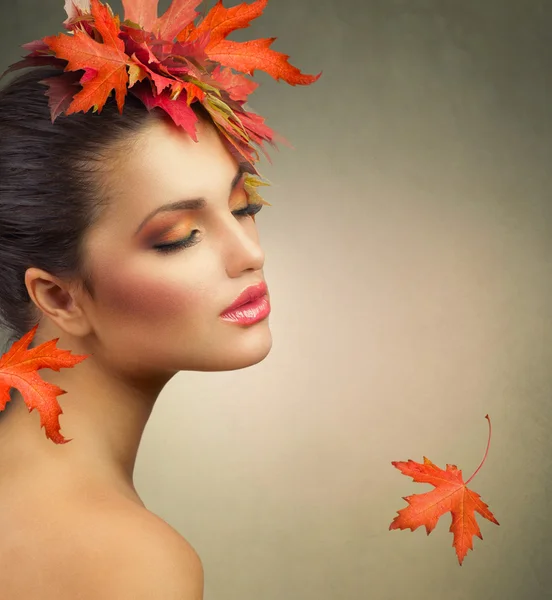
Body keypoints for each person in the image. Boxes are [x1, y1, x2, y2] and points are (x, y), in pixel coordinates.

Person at [0, 0, 320, 598]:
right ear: (57, 296)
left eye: (243, 206)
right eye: (180, 237)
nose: (249, 253)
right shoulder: (133, 564)